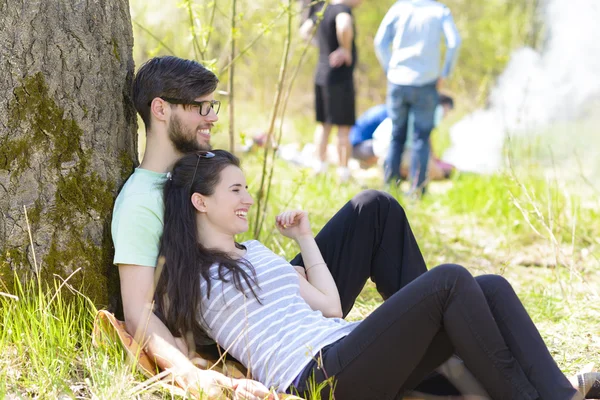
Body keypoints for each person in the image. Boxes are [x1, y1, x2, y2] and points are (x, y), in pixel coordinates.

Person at [156, 149, 597, 400]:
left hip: (345, 346)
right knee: (450, 280)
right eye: (236, 190)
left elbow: (329, 305)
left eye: (246, 188)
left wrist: (306, 240)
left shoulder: (258, 252)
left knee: (492, 287)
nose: (248, 199)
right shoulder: (188, 276)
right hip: (318, 378)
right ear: (200, 202)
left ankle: (560, 395)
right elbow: (154, 323)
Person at [375, 0, 462, 195]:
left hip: (398, 81)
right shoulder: (439, 11)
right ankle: (418, 190)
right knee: (421, 138)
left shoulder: (398, 8)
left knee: (397, 135)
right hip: (426, 83)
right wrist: (445, 72)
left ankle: (390, 188)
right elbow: (454, 42)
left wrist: (390, 69)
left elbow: (380, 42)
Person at [300, 0, 362, 183]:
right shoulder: (343, 10)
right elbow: (343, 25)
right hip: (339, 78)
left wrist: (320, 46)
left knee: (324, 124)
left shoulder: (323, 9)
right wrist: (345, 49)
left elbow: (304, 31)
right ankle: (343, 173)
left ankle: (320, 167)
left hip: (321, 73)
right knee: (343, 128)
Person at [350, 95, 455, 180]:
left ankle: (389, 170)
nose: (446, 114)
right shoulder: (436, 111)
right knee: (436, 172)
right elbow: (425, 138)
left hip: (377, 146)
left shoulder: (400, 110)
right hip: (369, 146)